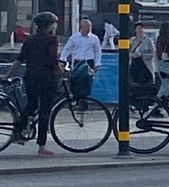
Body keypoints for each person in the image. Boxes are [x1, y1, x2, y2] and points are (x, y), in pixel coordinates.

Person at [15, 12, 62, 155]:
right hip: (47, 78)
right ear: (49, 25)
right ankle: (41, 146)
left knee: (31, 104)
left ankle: (19, 132)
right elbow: (53, 59)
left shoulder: (30, 40)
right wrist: (60, 70)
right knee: (45, 111)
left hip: (30, 77)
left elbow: (19, 59)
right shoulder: (52, 40)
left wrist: (7, 74)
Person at [62, 17, 104, 106]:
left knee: (86, 82)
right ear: (82, 27)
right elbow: (67, 49)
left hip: (88, 62)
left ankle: (84, 102)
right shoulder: (74, 37)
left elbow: (97, 52)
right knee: (76, 81)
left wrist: (97, 63)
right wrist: (63, 60)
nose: (89, 29)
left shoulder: (94, 38)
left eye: (90, 27)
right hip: (78, 61)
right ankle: (77, 100)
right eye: (87, 27)